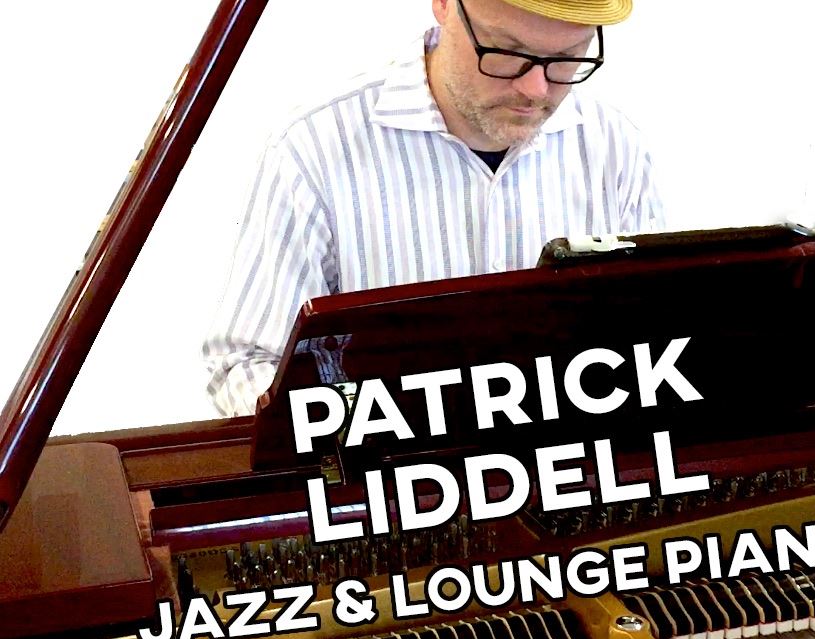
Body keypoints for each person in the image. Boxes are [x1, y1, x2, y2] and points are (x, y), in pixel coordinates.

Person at [203, 0, 665, 416]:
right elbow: (247, 364)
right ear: (444, 5)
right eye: (507, 52)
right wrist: (366, 434)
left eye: (566, 59)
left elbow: (654, 339)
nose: (536, 89)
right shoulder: (313, 150)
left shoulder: (614, 147)